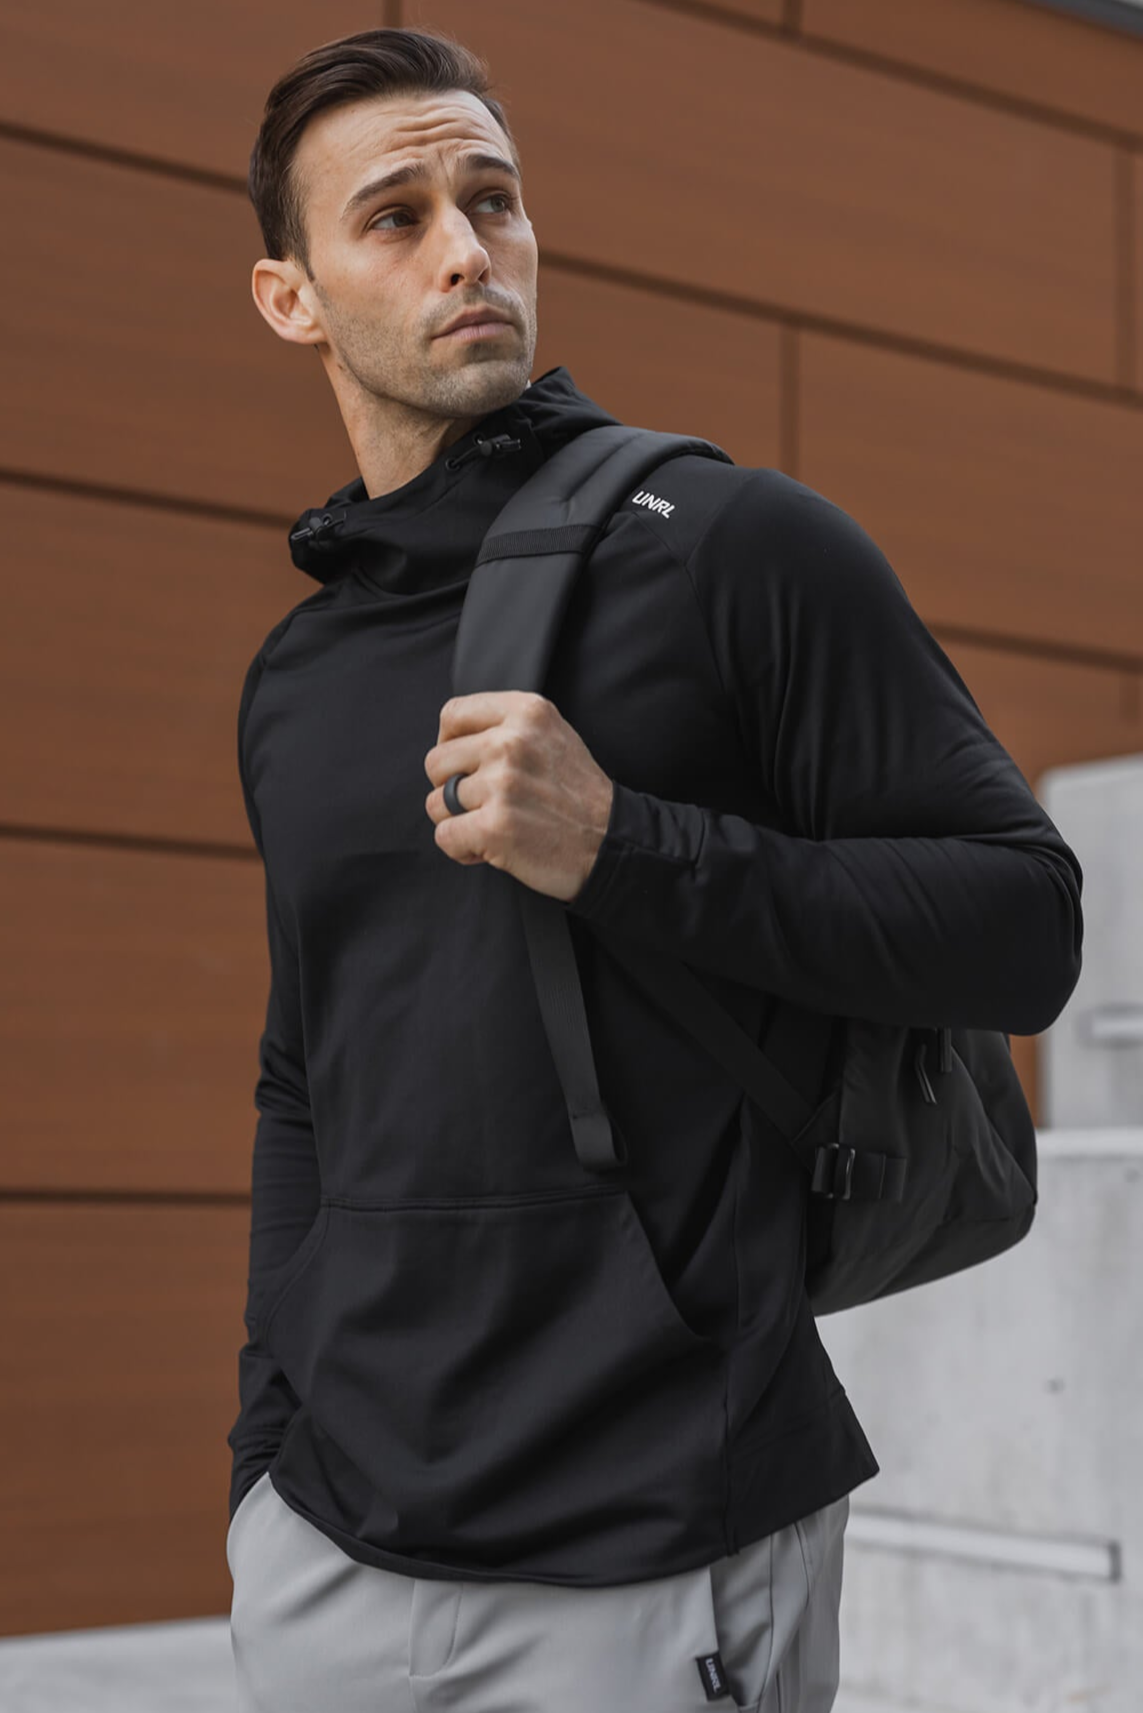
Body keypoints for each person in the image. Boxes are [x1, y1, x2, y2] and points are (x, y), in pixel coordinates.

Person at [224, 25, 1083, 1713]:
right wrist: (265, 1446)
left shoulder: (734, 549)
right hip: (329, 1553)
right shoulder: (298, 675)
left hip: (663, 1542)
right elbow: (303, 1076)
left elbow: (1023, 925)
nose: (466, 250)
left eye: (492, 199)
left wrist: (627, 846)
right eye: (395, 216)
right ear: (291, 299)